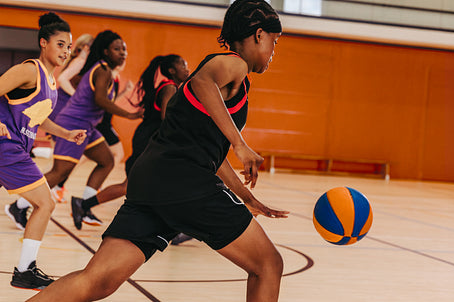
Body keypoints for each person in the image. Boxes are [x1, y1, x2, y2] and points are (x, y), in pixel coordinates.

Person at [29, 0, 287, 301]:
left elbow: (210, 155)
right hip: (184, 180)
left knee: (97, 280)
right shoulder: (233, 63)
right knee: (268, 264)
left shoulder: (233, 80)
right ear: (258, 35)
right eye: (274, 41)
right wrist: (240, 144)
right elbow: (203, 80)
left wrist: (247, 198)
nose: (273, 50)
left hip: (152, 179)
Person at [6, 30, 144, 231]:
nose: (122, 52)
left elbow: (102, 101)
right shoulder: (102, 70)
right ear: (105, 51)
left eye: (124, 49)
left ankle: (84, 204)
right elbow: (100, 100)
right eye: (117, 49)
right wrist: (130, 115)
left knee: (107, 161)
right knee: (60, 171)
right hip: (73, 123)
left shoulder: (106, 72)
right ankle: (18, 206)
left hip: (87, 126)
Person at [1, 12, 87, 290]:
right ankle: (25, 270)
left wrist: (66, 133)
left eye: (69, 46)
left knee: (44, 203)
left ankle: (26, 270)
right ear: (43, 43)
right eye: (60, 44)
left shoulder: (51, 85)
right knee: (45, 203)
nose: (66, 51)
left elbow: (40, 118)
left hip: (16, 149)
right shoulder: (29, 69)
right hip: (6, 147)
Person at [71, 54, 190, 232]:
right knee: (136, 186)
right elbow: (167, 120)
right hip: (151, 143)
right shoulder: (170, 88)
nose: (187, 69)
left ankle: (84, 204)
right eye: (183, 65)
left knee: (141, 186)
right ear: (172, 70)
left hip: (148, 139)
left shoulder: (168, 87)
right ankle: (178, 227)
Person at [49, 33, 94, 204]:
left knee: (65, 156)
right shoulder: (80, 61)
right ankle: (54, 185)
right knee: (65, 156)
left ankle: (56, 185)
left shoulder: (83, 63)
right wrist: (78, 97)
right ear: (87, 48)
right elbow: (61, 79)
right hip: (63, 107)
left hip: (64, 107)